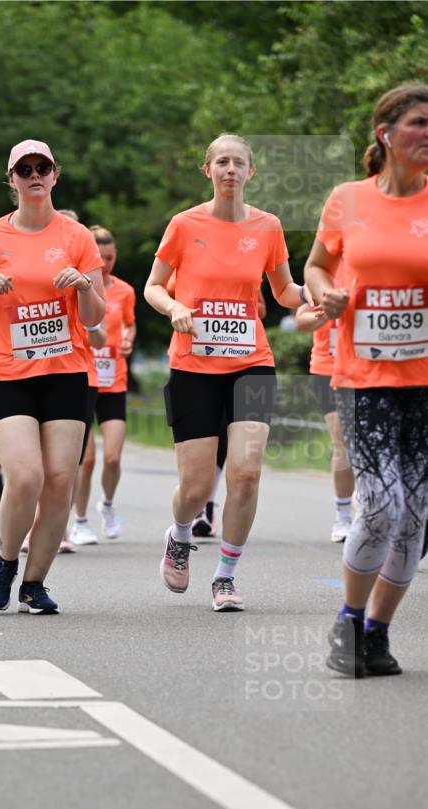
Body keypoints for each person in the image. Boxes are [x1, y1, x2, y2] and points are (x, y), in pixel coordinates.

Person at [145, 133, 306, 611]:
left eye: (238, 162)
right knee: (196, 488)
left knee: (246, 472)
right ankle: (179, 534)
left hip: (251, 364)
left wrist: (318, 296)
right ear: (208, 170)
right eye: (221, 162)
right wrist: (174, 306)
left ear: (251, 171)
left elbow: (284, 291)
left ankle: (225, 576)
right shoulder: (184, 224)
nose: (230, 170)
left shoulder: (268, 226)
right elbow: (153, 286)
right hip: (194, 365)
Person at [305, 82, 428, 677]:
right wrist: (324, 293)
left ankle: (376, 633)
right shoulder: (347, 200)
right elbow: (316, 265)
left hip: (424, 382)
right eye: (419, 122)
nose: (427, 133)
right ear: (386, 132)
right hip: (363, 376)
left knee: (415, 513)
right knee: (381, 503)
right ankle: (349, 621)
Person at [0, 139, 105, 614]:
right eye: (24, 169)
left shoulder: (77, 237)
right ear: (12, 180)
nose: (34, 175)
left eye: (42, 167)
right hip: (8, 371)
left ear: (55, 175)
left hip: (65, 371)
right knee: (25, 476)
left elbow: (94, 316)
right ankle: (6, 563)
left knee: (60, 481)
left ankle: (34, 584)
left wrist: (82, 286)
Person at [70, 226, 136, 543]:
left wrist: (128, 340)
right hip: (84, 377)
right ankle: (80, 521)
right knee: (86, 460)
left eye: (110, 257)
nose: (106, 263)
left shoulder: (125, 291)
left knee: (112, 457)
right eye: (101, 257)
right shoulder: (77, 286)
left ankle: (107, 504)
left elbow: (130, 325)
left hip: (114, 381)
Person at [192, 287, 270, 540]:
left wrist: (234, 311)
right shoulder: (183, 270)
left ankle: (205, 508)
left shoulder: (247, 270)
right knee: (202, 445)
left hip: (240, 363)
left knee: (227, 441)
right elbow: (165, 300)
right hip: (197, 366)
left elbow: (261, 308)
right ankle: (195, 504)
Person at [299, 287, 355, 542]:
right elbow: (301, 320)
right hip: (328, 369)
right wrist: (324, 314)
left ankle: (370, 504)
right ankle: (343, 517)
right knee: (342, 441)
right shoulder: (321, 276)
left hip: (368, 368)